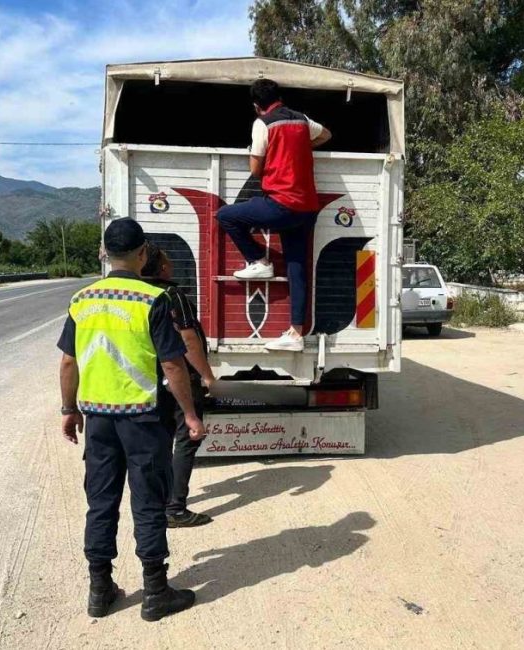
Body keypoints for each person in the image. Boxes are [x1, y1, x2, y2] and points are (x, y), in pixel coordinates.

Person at [57, 218, 204, 622]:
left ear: (105, 253)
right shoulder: (153, 299)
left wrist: (69, 409)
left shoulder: (82, 299)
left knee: (100, 503)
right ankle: (156, 592)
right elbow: (172, 365)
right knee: (148, 503)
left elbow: (68, 361)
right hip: (143, 419)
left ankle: (100, 590)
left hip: (98, 420)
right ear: (142, 254)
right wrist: (190, 413)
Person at [216, 78, 332, 352]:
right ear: (280, 98)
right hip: (307, 208)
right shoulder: (301, 119)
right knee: (296, 266)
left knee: (225, 216)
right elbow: (326, 134)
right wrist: (300, 147)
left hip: (281, 204)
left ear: (257, 106)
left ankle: (258, 260)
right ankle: (296, 333)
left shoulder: (263, 123)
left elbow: (255, 169)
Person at [140, 243, 217, 528]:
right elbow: (187, 339)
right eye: (168, 260)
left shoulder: (139, 294)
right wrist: (207, 376)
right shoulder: (172, 295)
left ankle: (157, 501)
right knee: (187, 438)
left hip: (150, 379)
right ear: (163, 268)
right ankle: (175, 508)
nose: (172, 264)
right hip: (179, 377)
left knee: (160, 441)